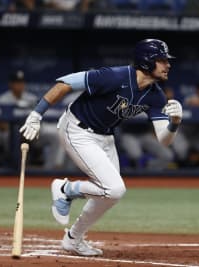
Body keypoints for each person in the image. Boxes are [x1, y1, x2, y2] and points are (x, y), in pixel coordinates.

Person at [19, 39, 182, 256]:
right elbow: (64, 83)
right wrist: (36, 114)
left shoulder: (156, 94)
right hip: (76, 129)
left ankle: (73, 239)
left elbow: (163, 139)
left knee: (110, 195)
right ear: (146, 62)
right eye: (162, 60)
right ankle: (65, 189)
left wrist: (175, 123)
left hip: (105, 137)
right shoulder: (114, 76)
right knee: (114, 189)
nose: (167, 65)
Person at [0, 70, 65, 170]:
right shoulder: (3, 99)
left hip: (32, 132)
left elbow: (39, 117)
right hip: (11, 133)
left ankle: (50, 170)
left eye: (21, 82)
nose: (19, 85)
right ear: (11, 84)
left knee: (56, 134)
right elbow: (0, 124)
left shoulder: (31, 98)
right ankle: (12, 168)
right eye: (16, 82)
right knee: (8, 136)